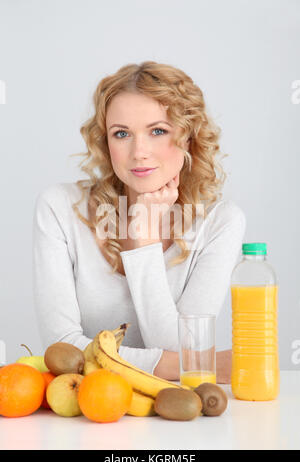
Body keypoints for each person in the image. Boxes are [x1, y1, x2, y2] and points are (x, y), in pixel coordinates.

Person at [32, 61, 246, 384]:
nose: (139, 152)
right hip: (87, 418)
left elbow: (179, 346)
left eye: (158, 131)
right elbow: (62, 351)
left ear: (188, 137)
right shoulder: (60, 209)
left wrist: (144, 240)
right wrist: (201, 363)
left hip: (178, 425)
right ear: (106, 143)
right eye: (122, 134)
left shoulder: (220, 224)